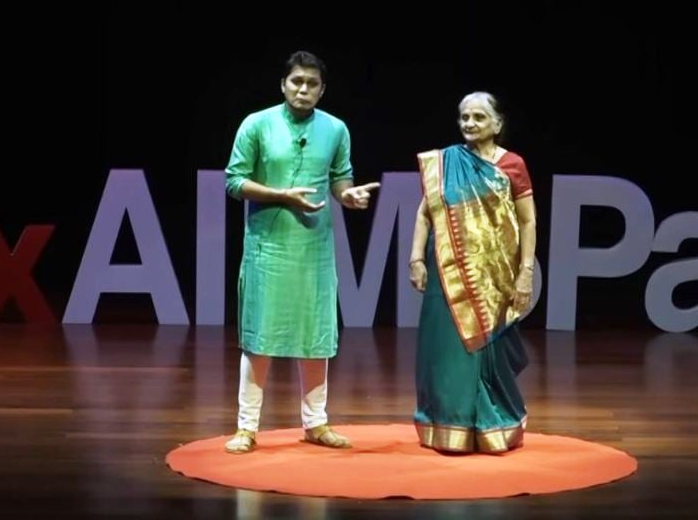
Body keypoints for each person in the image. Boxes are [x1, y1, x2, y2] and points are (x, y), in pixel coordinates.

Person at [223, 50, 379, 453]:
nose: (303, 89)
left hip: (314, 248)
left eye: (312, 84)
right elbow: (234, 182)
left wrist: (350, 196)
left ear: (322, 90)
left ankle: (316, 423)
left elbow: (340, 179)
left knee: (316, 336)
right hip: (268, 247)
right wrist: (281, 196)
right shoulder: (256, 124)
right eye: (296, 81)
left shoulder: (336, 129)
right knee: (260, 339)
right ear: (283, 84)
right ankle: (246, 427)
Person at [408, 91, 536, 454]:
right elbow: (424, 214)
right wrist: (415, 259)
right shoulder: (447, 163)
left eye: (479, 117)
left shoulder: (512, 165)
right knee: (445, 350)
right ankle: (449, 425)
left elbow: (528, 221)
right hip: (446, 273)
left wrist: (525, 273)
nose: (470, 124)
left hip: (494, 278)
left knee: (486, 350)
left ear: (497, 124)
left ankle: (492, 424)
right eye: (464, 117)